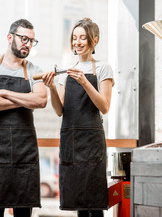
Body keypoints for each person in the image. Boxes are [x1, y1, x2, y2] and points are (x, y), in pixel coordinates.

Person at [0, 19, 47, 217]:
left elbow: (41, 100)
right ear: (9, 37)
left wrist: (4, 92)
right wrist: (25, 100)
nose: (28, 44)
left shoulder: (34, 69)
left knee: (23, 213)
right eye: (24, 38)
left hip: (25, 155)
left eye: (32, 41)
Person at [42, 18, 114, 217]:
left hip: (92, 142)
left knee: (95, 201)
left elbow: (104, 106)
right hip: (71, 141)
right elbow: (59, 110)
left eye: (83, 37)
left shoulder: (102, 68)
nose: (78, 42)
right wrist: (52, 88)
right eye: (75, 38)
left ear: (95, 40)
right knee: (79, 202)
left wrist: (84, 82)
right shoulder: (66, 71)